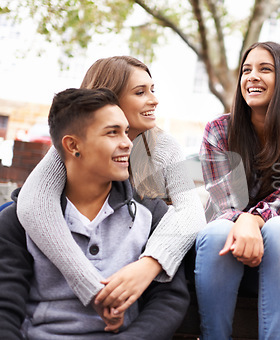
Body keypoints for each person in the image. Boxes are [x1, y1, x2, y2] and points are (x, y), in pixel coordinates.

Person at [15, 56, 206, 315]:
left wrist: (150, 264)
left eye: (152, 89)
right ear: (110, 99)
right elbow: (33, 203)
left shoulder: (164, 146)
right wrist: (91, 286)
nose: (154, 99)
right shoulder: (77, 143)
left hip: (147, 275)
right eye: (140, 92)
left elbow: (191, 212)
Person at [0, 88, 189, 339]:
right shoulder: (18, 222)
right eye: (113, 132)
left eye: (125, 131)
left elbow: (168, 299)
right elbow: (5, 309)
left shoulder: (150, 213)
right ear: (73, 145)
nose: (127, 143)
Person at [195, 41, 280, 339]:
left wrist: (254, 219)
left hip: (277, 258)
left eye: (265, 69)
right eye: (246, 70)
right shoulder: (219, 132)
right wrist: (244, 220)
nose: (252, 77)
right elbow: (225, 202)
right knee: (217, 230)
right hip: (223, 252)